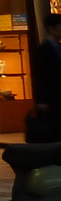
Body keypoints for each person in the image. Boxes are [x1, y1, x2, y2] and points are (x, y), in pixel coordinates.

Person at [30, 13, 61, 143]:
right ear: (51, 29)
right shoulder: (42, 50)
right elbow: (38, 76)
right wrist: (41, 100)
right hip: (51, 99)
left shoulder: (59, 48)